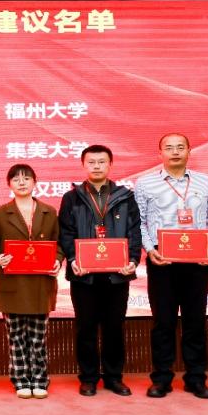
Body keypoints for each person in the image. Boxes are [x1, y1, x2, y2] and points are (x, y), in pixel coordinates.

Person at [135, 133, 208, 399]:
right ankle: (162, 379)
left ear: (189, 151)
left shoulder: (205, 181)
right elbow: (139, 222)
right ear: (160, 152)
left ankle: (196, 379)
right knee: (163, 323)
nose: (175, 152)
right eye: (169, 147)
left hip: (197, 261)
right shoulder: (145, 183)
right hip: (162, 261)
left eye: (180, 147)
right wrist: (150, 250)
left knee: (195, 322)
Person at [58, 145, 142, 397]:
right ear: (83, 165)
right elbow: (65, 232)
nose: (96, 166)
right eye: (91, 162)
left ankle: (114, 377)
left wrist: (133, 259)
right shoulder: (72, 198)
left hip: (117, 274)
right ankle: (88, 378)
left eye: (101, 162)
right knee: (85, 328)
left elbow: (134, 231)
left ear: (110, 165)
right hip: (84, 275)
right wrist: (73, 258)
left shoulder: (125, 196)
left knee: (114, 327)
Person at [0, 164, 62, 399]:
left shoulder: (49, 212)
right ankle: (20, 380)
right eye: (16, 179)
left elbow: (59, 244)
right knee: (16, 337)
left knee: (38, 338)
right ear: (9, 184)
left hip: (40, 284)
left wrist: (57, 260)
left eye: (26, 178)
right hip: (12, 283)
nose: (22, 182)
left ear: (35, 182)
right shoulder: (1, 213)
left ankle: (40, 379)